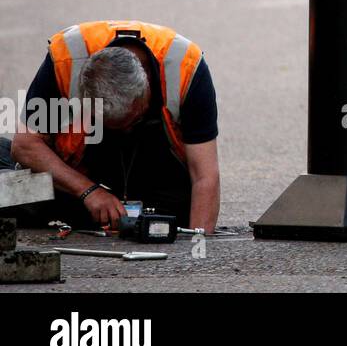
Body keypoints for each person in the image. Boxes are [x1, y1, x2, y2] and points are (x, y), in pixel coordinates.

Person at [0, 20, 220, 233]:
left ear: (146, 90)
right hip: (84, 173)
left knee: (169, 220)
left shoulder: (186, 69)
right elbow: (25, 146)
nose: (123, 131)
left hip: (158, 171)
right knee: (13, 196)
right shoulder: (65, 59)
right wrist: (88, 192)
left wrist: (197, 247)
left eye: (131, 121)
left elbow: (204, 175)